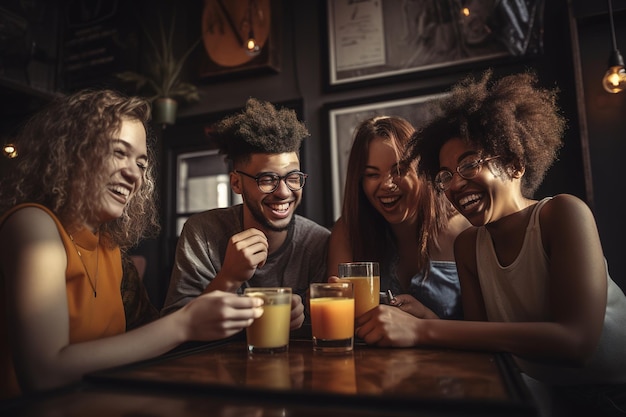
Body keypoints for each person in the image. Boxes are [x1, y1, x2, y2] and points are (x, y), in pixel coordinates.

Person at [356, 71, 626, 415]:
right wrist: (425, 317)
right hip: (541, 394)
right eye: (445, 175)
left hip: (612, 397)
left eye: (469, 165)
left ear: (514, 165)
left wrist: (424, 330)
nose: (455, 185)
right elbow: (482, 341)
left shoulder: (563, 214)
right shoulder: (468, 245)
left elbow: (576, 342)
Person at [0, 89, 265, 399]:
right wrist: (185, 323)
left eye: (141, 163)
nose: (133, 174)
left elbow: (153, 340)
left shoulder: (111, 249)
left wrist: (228, 282)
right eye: (118, 152)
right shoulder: (33, 225)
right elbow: (44, 374)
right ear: (72, 151)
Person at [161, 98, 330, 329]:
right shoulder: (203, 232)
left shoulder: (318, 242)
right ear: (237, 183)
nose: (283, 192)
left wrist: (304, 323)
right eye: (267, 179)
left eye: (293, 178)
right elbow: (173, 327)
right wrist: (229, 277)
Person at [327, 116, 470, 319]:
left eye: (399, 170)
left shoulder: (463, 230)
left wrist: (426, 323)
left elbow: (486, 333)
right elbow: (338, 317)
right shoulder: (349, 230)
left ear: (421, 171)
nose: (386, 184)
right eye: (372, 174)